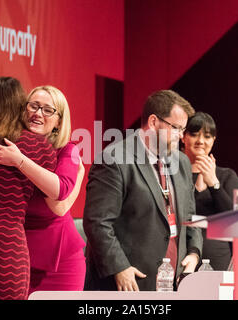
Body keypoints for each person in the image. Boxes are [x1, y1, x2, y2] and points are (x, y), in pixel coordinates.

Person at [0, 86, 86, 294]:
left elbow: (59, 200)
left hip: (58, 258)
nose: (38, 113)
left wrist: (20, 161)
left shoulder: (67, 150)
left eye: (47, 110)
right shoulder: (6, 144)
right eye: (33, 106)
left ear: (59, 120)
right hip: (10, 252)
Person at [83, 89, 202, 291]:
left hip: (174, 282)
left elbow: (191, 215)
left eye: (183, 129)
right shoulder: (114, 159)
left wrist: (193, 252)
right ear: (154, 122)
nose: (181, 137)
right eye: (176, 128)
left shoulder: (181, 162)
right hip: (129, 282)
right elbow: (98, 222)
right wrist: (120, 267)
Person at [181, 112, 238, 271]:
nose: (200, 141)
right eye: (194, 135)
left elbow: (236, 219)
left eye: (207, 136)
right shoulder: (173, 174)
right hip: (181, 252)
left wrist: (214, 184)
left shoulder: (226, 176)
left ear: (213, 140)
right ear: (183, 137)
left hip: (216, 255)